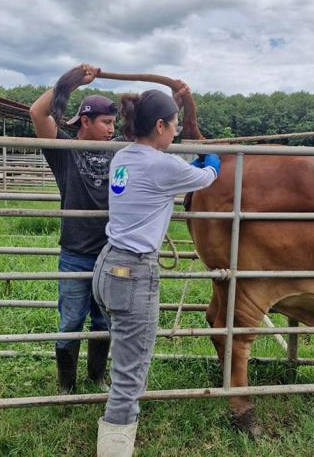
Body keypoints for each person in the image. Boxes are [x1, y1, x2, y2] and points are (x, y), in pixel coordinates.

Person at [92, 88, 221, 456]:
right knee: (130, 374)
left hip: (107, 266)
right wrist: (211, 154)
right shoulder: (162, 165)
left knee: (124, 354)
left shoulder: (123, 156)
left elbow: (167, 175)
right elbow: (207, 175)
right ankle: (114, 447)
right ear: (160, 125)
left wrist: (192, 163)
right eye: (175, 126)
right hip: (134, 273)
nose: (177, 132)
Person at [29, 64, 117, 394]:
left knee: (104, 321)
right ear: (85, 122)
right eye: (106, 122)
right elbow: (38, 113)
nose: (112, 129)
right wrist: (70, 81)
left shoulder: (119, 152)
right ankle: (66, 385)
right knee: (70, 321)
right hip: (76, 254)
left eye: (113, 123)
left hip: (110, 254)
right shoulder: (64, 150)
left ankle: (96, 377)